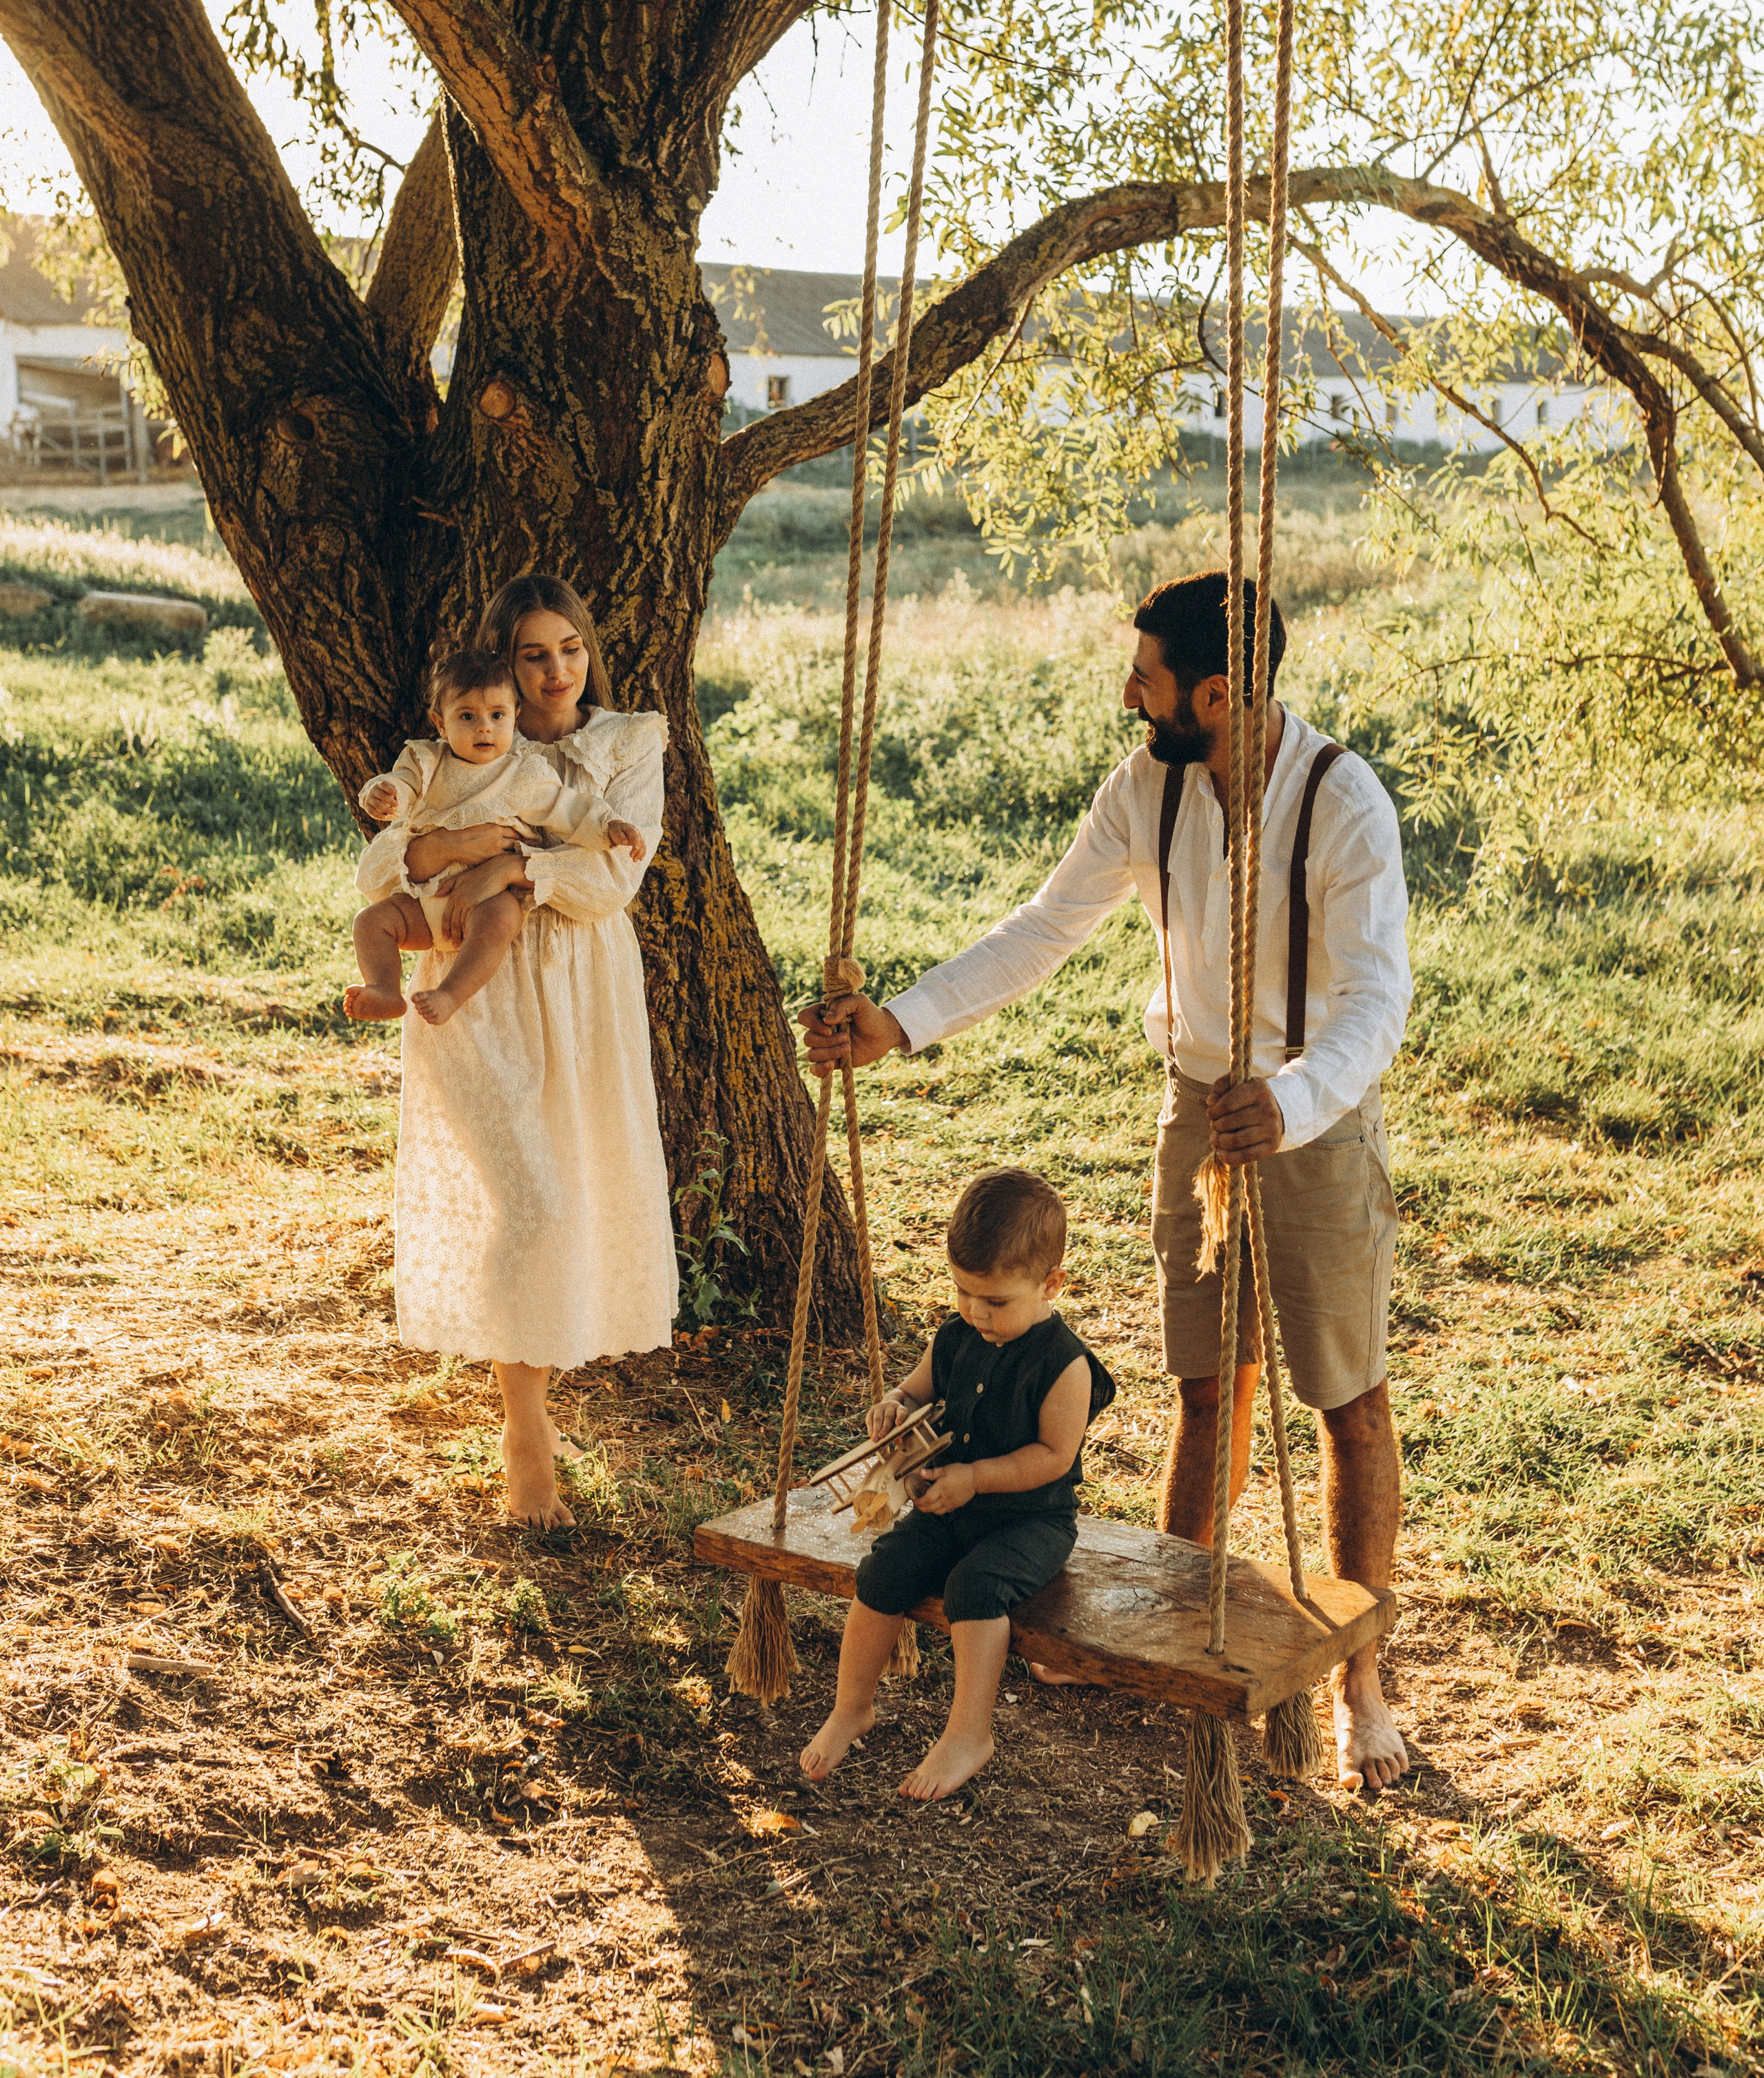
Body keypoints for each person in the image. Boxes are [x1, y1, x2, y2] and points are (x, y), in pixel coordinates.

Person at [801, 570, 1413, 1793]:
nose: (1127, 692)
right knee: (1205, 1386)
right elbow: (1046, 926)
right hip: (1195, 1106)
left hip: (1313, 1113)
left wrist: (1288, 1102)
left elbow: (1377, 1000)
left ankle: (1365, 1684)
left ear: (1218, 690)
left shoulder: (1343, 803)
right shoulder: (1148, 785)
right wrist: (902, 1023)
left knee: (1345, 1399)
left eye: (1145, 674)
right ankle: (1175, 1639)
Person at [356, 573, 677, 1528]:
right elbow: (380, 865)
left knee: (566, 1197)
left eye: (569, 647)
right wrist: (454, 844)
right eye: (533, 654)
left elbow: (615, 876)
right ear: (502, 662)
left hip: (582, 991)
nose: (555, 670)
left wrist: (512, 865)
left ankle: (537, 1403)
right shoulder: (458, 746)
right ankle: (524, 1431)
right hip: (475, 995)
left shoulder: (626, 742)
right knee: (527, 1195)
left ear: (590, 647)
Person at [801, 1169, 1114, 1802]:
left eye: (996, 1301)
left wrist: (977, 1478)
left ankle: (970, 1732)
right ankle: (851, 1707)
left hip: (1030, 1523)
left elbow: (1054, 1456)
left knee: (974, 1589)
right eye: (964, 1293)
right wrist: (893, 1406)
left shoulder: (1065, 1365)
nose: (976, 1312)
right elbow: (918, 1390)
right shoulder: (956, 1336)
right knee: (883, 1571)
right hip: (948, 1508)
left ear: (1052, 1284)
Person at [345, 645, 646, 1028]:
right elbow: (401, 785)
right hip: (422, 905)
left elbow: (568, 809)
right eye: (467, 716)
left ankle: (450, 993)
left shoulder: (522, 776)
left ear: (515, 718)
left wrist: (608, 826)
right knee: (371, 921)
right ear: (440, 723)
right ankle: (385, 989)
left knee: (504, 917)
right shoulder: (427, 760)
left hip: (485, 902)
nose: (484, 726)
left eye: (497, 715)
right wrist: (385, 792)